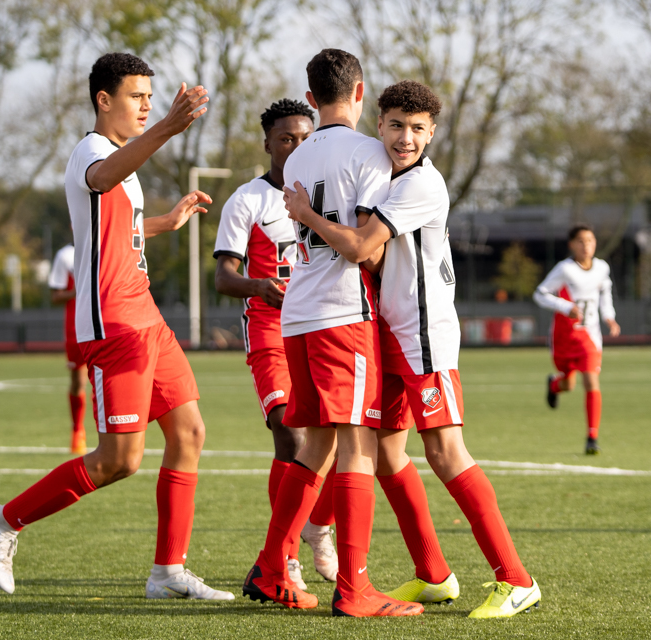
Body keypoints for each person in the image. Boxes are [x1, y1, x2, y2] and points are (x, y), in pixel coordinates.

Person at [0, 52, 234, 601]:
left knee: (190, 433)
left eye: (151, 98)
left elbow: (115, 230)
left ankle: (168, 572)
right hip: (114, 323)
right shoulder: (92, 151)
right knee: (119, 460)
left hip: (147, 316)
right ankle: (1, 522)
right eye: (136, 96)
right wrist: (169, 127)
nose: (146, 106)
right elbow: (103, 178)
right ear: (103, 99)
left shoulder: (121, 162)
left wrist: (166, 221)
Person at [283, 79, 542, 618]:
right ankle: (434, 575)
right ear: (377, 125)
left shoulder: (421, 184)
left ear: (432, 133)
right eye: (397, 125)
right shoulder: (385, 177)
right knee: (385, 455)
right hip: (391, 334)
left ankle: (516, 580)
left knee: (446, 453)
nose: (405, 138)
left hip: (423, 336)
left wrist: (306, 215)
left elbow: (360, 248)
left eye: (418, 129)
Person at [241, 49, 423, 618]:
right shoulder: (370, 152)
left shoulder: (297, 158)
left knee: (316, 445)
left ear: (311, 97)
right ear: (360, 92)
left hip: (297, 313)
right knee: (357, 443)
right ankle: (355, 587)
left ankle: (272, 567)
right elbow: (365, 248)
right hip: (343, 314)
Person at [213, 99, 338, 590]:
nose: (297, 146)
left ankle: (318, 527)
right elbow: (224, 276)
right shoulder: (247, 200)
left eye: (305, 138)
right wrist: (258, 286)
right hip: (269, 328)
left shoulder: (331, 192)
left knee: (343, 438)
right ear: (268, 143)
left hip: (324, 323)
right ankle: (285, 556)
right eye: (286, 138)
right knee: (289, 432)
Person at [534, 225, 620, 455]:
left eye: (590, 240)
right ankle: (554, 385)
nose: (586, 245)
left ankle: (592, 437)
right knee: (568, 385)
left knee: (591, 381)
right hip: (564, 336)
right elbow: (540, 293)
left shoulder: (602, 268)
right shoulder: (565, 269)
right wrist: (565, 306)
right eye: (581, 241)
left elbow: (605, 292)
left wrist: (609, 317)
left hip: (589, 336)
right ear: (572, 245)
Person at [47, 242, 88, 454]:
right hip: (76, 328)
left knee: (107, 380)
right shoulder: (65, 256)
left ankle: (110, 435)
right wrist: (78, 291)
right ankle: (77, 430)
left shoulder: (106, 244)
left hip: (108, 323)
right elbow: (55, 296)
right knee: (78, 381)